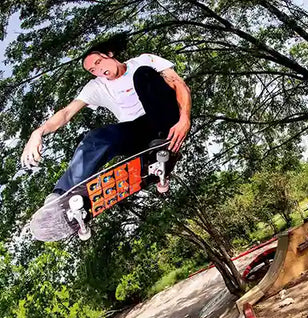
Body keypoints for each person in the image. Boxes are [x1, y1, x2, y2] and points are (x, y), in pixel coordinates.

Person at [21, 40, 191, 199]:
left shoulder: (143, 60)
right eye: (93, 71)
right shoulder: (97, 86)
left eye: (98, 62)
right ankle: (63, 194)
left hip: (166, 119)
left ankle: (160, 148)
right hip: (137, 133)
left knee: (143, 74)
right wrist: (38, 133)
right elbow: (66, 113)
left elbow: (179, 84)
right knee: (96, 137)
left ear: (109, 54)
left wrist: (185, 118)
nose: (98, 71)